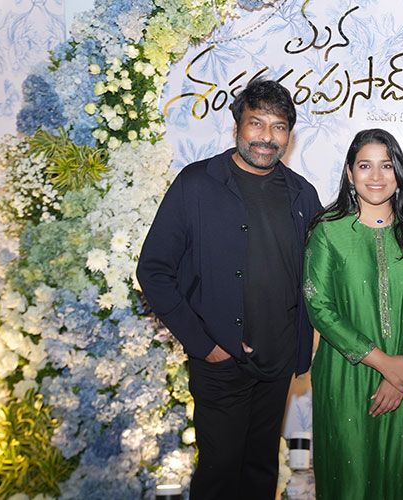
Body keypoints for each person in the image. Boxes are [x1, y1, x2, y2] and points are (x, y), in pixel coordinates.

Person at [136, 79, 322, 500]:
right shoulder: (196, 183)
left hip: (277, 364)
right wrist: (206, 346)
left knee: (261, 473)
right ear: (237, 126)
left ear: (289, 136)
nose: (267, 137)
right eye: (257, 123)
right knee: (218, 475)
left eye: (278, 127)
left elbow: (327, 262)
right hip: (220, 364)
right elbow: (153, 270)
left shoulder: (301, 194)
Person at [303, 128, 403, 499]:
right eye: (365, 166)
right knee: (351, 478)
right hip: (347, 375)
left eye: (386, 165)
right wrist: (384, 364)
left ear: (398, 171)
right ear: (350, 173)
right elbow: (319, 305)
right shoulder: (327, 231)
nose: (376, 176)